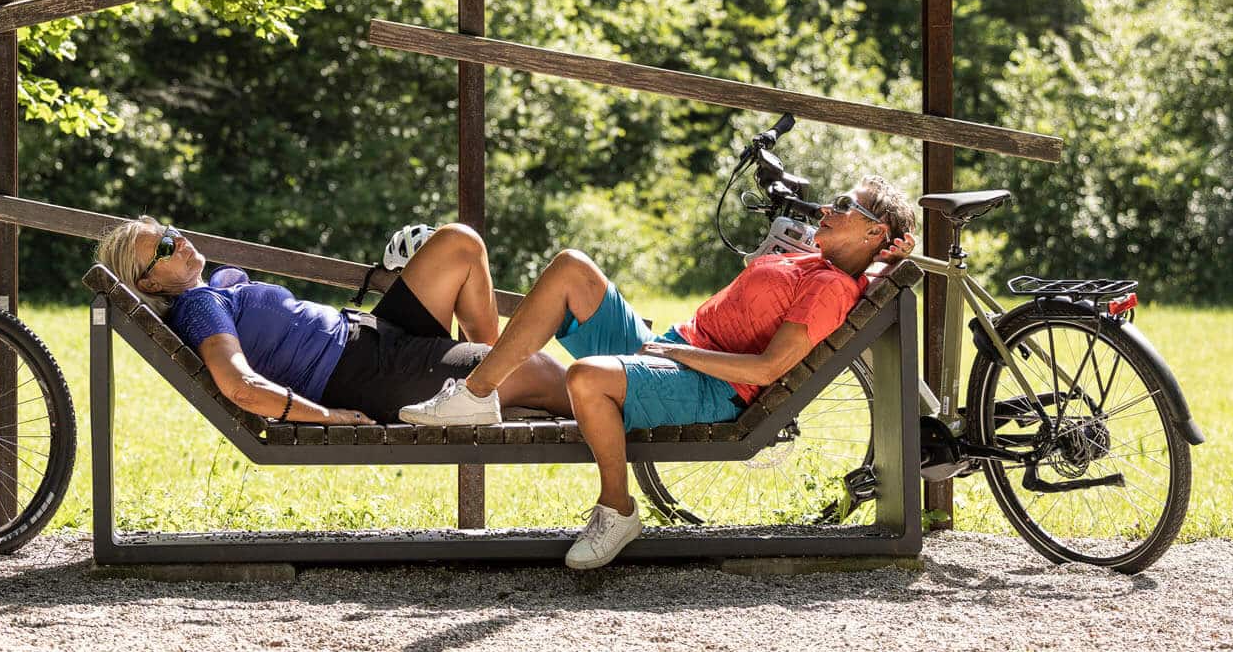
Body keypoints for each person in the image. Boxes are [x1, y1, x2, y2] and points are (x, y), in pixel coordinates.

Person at [400, 174, 919, 570]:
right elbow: (865, 261)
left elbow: (767, 369)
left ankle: (617, 509)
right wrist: (885, 258)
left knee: (586, 377)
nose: (827, 208)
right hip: (674, 349)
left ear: (872, 231)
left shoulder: (829, 288)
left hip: (711, 385)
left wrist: (685, 357)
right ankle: (476, 392)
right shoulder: (820, 261)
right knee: (571, 268)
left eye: (844, 205)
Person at [93, 217, 571, 424]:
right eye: (164, 248)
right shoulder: (199, 307)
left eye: (171, 233)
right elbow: (240, 386)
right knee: (541, 370)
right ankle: (510, 381)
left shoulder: (212, 290)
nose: (178, 241)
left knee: (458, 243)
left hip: (371, 336)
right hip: (365, 373)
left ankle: (485, 382)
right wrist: (326, 415)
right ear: (149, 283)